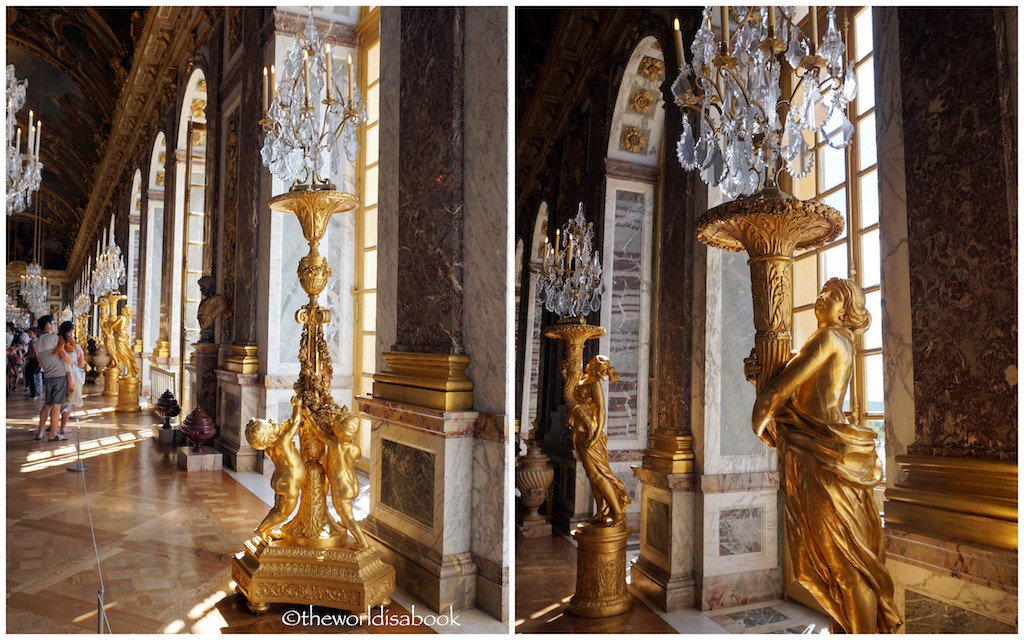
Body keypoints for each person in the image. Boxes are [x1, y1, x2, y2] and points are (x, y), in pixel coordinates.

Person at [749, 278, 901, 634]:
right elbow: (793, 390)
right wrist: (761, 378)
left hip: (823, 459)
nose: (822, 297)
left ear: (846, 310)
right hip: (817, 453)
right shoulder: (835, 342)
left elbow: (777, 394)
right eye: (822, 291)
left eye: (833, 296)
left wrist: (759, 419)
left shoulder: (829, 337)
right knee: (830, 568)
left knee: (846, 569)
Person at [565, 354, 630, 526]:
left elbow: (601, 410)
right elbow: (571, 395)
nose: (592, 359)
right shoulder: (584, 379)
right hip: (578, 431)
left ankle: (617, 512)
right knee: (591, 475)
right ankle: (602, 511)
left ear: (595, 367)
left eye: (596, 361)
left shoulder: (594, 384)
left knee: (598, 474)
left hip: (590, 432)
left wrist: (595, 436)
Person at [305, 406, 370, 549]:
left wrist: (308, 416)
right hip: (353, 485)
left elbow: (317, 431)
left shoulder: (334, 444)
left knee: (347, 516)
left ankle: (362, 542)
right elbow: (356, 459)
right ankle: (344, 521)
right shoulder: (355, 449)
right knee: (346, 512)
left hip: (341, 487)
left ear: (337, 431)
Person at [244, 396, 307, 539]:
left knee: (277, 508)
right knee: (283, 513)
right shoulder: (283, 441)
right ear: (270, 437)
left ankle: (267, 528)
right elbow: (295, 423)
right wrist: (297, 406)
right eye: (270, 425)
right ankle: (261, 529)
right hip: (290, 480)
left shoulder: (270, 447)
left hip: (280, 478)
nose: (273, 422)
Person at [34, 316, 69, 441]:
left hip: (48, 375)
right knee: (57, 406)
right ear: (48, 324)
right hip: (59, 376)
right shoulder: (54, 338)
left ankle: (40, 432)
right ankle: (53, 434)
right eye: (53, 323)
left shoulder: (38, 341)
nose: (54, 326)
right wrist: (72, 362)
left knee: (47, 404)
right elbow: (64, 356)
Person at [54, 321, 86, 432]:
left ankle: (52, 427)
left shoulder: (57, 342)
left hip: (56, 375)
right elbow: (81, 364)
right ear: (71, 331)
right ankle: (62, 427)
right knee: (68, 401)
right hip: (71, 375)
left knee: (56, 403)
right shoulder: (75, 346)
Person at [111, 306, 138, 377]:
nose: (122, 309)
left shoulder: (121, 317)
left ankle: (130, 372)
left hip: (120, 336)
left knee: (123, 354)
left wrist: (109, 324)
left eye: (124, 309)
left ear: (125, 311)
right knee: (123, 354)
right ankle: (128, 371)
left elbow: (113, 326)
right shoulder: (127, 319)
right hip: (124, 336)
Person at [23, 328, 40, 399]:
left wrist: (39, 361)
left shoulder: (33, 342)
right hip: (34, 360)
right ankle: (33, 392)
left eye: (30, 333)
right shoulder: (38, 341)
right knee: (32, 376)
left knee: (31, 376)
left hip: (33, 360)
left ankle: (34, 393)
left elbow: (35, 352)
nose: (29, 334)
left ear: (35, 334)